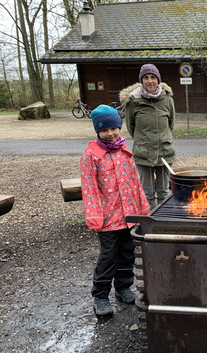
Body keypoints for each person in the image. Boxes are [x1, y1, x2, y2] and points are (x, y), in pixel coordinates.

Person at [81, 105, 150, 316]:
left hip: (128, 216)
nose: (110, 133)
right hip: (108, 219)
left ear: (119, 127)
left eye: (114, 128)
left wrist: (142, 207)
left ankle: (122, 287)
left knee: (127, 253)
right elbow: (89, 188)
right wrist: (94, 215)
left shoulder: (125, 152)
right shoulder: (92, 156)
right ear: (97, 131)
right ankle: (100, 296)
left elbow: (135, 183)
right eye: (105, 130)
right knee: (108, 257)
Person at [120, 63, 176, 210]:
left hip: (165, 152)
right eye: (146, 77)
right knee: (147, 192)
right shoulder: (133, 101)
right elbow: (131, 128)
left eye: (153, 77)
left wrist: (162, 139)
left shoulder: (167, 99)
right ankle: (150, 222)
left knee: (164, 191)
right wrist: (143, 142)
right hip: (143, 153)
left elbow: (171, 124)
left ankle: (164, 220)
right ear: (141, 80)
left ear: (158, 80)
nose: (150, 81)